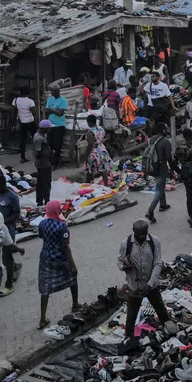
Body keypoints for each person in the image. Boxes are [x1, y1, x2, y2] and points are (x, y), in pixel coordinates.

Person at [118, 220, 170, 342]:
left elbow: (158, 263)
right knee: (131, 316)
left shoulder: (154, 241)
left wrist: (150, 284)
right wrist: (124, 267)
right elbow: (119, 261)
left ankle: (170, 331)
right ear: (133, 231)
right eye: (139, 235)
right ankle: (129, 338)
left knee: (161, 310)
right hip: (134, 286)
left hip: (151, 286)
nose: (142, 237)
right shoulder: (125, 244)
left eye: (144, 234)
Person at [37, 200, 79, 329]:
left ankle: (42, 318)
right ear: (57, 211)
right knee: (72, 278)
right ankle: (75, 304)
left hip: (45, 258)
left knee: (45, 287)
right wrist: (72, 264)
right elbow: (65, 247)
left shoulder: (42, 224)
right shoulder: (62, 227)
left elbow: (41, 237)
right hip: (60, 258)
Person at [0, 178, 24, 299]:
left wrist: (4, 222)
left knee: (6, 259)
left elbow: (17, 213)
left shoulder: (12, 196)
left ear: (3, 184)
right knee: (5, 256)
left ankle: (9, 285)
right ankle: (16, 267)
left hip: (8, 229)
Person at [143, 123, 173, 222]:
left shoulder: (150, 140)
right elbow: (169, 157)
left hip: (151, 167)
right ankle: (150, 211)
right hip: (161, 168)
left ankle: (163, 204)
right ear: (164, 130)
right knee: (159, 190)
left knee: (161, 185)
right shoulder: (165, 142)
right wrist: (174, 169)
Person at [83, 114, 113, 182]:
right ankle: (106, 185)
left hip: (94, 152)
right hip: (102, 150)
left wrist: (86, 155)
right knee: (103, 169)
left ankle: (88, 185)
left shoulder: (90, 132)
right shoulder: (101, 128)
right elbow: (103, 138)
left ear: (89, 122)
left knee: (89, 169)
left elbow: (91, 145)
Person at [44, 86, 68, 168]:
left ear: (58, 91)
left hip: (59, 125)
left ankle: (56, 163)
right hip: (50, 125)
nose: (51, 93)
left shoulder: (63, 100)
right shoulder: (50, 99)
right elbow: (47, 111)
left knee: (57, 145)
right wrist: (54, 111)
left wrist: (51, 110)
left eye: (53, 92)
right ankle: (51, 161)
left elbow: (60, 113)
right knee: (49, 144)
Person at [12, 87, 37, 163]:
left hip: (22, 123)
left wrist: (13, 123)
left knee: (23, 140)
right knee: (36, 138)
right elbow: (34, 113)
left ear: (20, 92)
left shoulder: (15, 100)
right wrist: (38, 123)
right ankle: (38, 154)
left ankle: (22, 157)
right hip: (30, 122)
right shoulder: (30, 101)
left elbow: (13, 113)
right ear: (28, 93)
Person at [34, 120, 54, 206]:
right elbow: (37, 152)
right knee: (44, 182)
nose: (50, 130)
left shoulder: (42, 135)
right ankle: (44, 200)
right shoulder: (39, 138)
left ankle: (43, 199)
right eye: (48, 128)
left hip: (45, 161)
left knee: (43, 182)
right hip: (43, 163)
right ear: (44, 129)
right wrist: (38, 160)